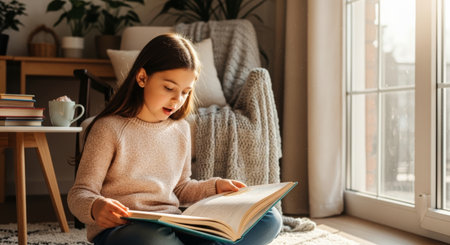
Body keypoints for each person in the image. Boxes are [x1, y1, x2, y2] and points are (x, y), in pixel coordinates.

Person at [68, 33, 282, 245]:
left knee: (268, 217)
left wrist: (216, 187)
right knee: (151, 238)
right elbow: (80, 193)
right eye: (169, 88)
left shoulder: (180, 129)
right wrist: (96, 207)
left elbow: (180, 188)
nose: (177, 100)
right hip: (125, 230)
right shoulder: (108, 129)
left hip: (174, 225)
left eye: (185, 92)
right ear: (142, 78)